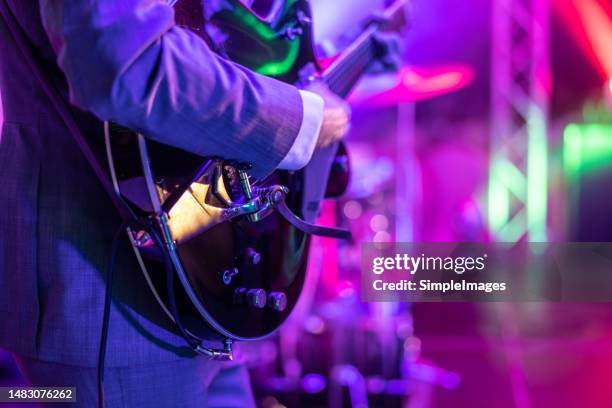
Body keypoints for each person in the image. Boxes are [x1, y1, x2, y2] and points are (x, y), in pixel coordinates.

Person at [0, 0, 350, 406]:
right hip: (107, 301)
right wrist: (297, 119)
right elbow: (120, 60)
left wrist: (333, 63)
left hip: (197, 291)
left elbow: (203, 41)